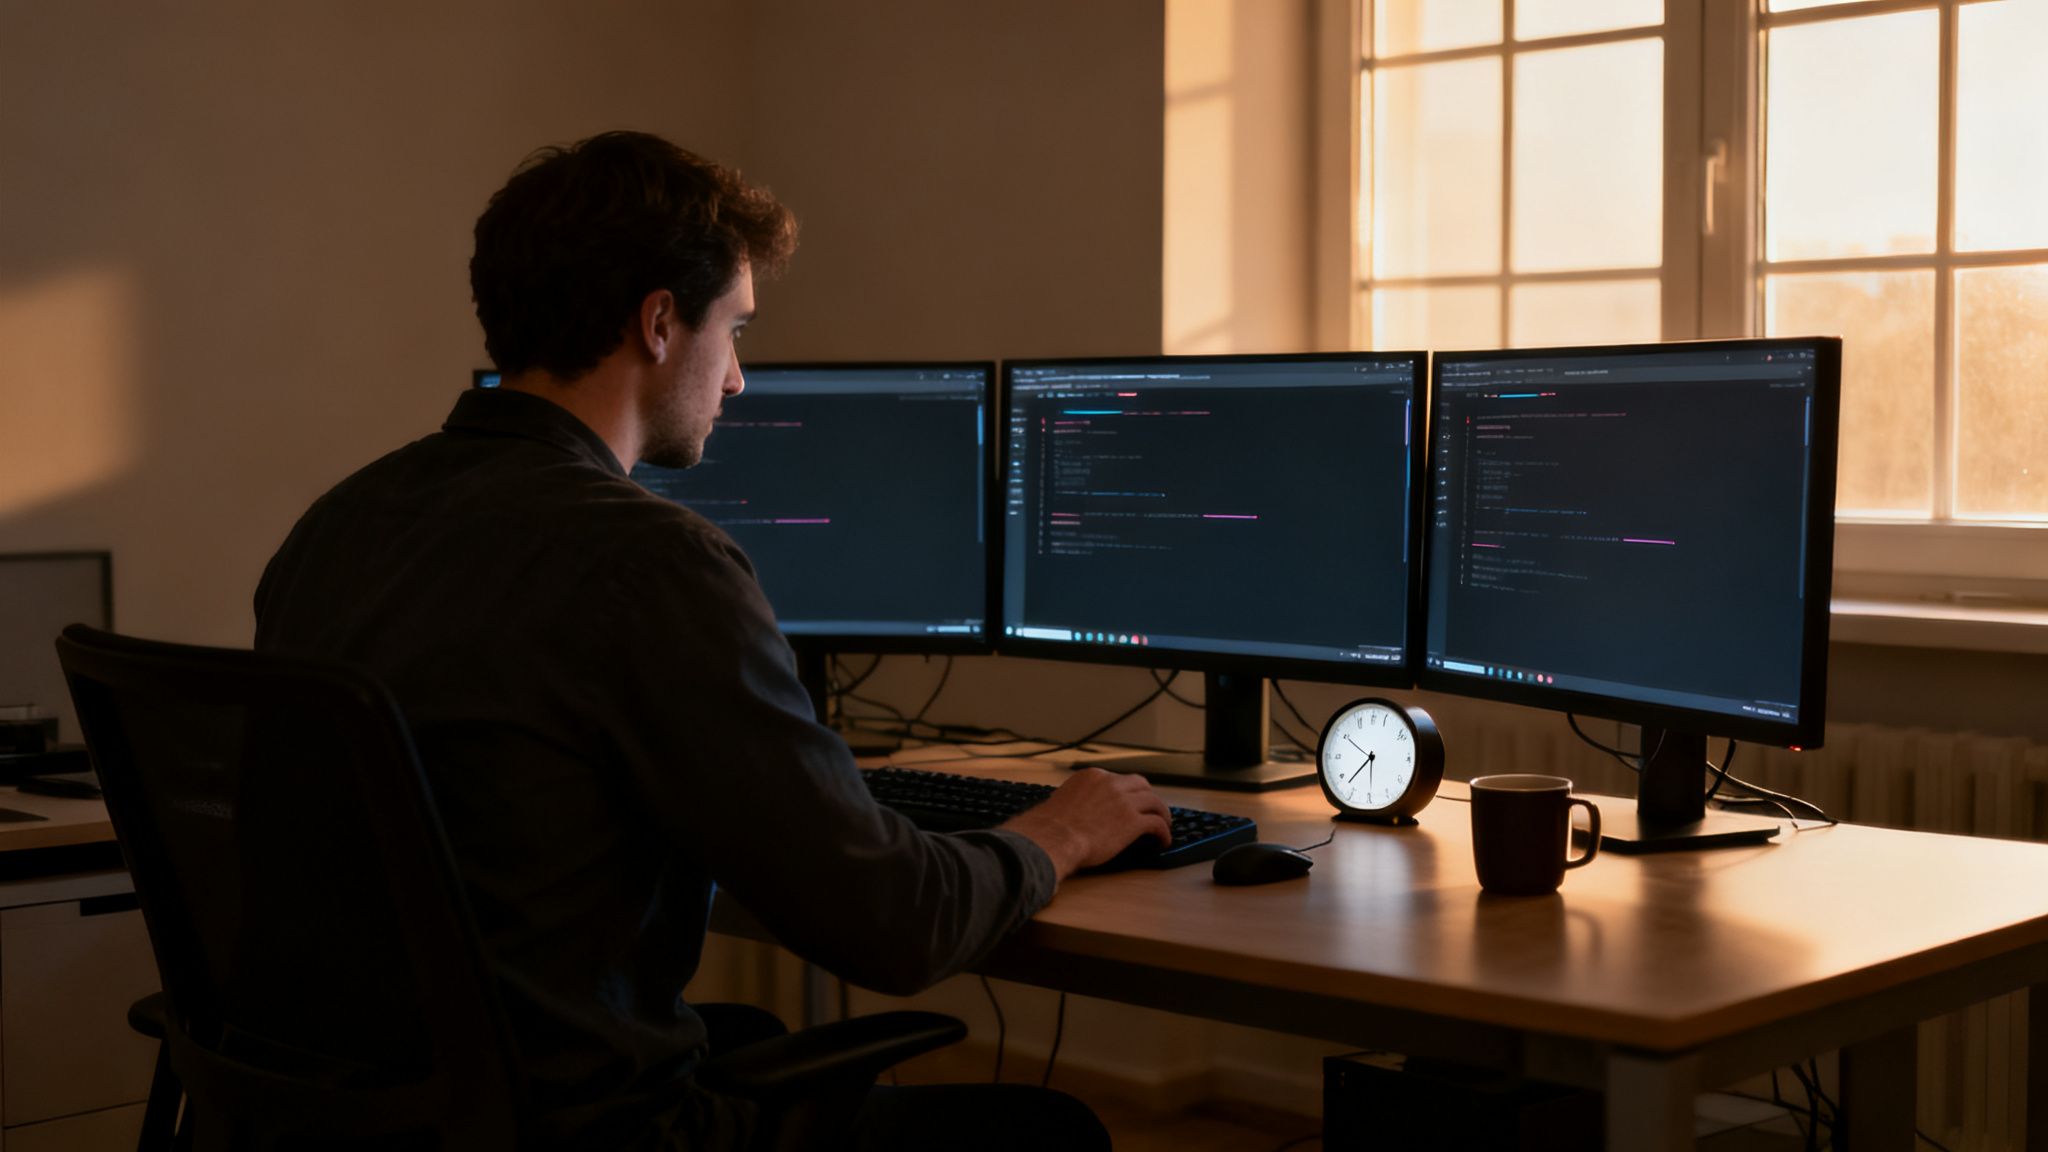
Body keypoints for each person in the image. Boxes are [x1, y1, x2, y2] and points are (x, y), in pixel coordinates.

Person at [253, 130, 1171, 1150]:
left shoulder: (340, 522)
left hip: (360, 1111)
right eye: (732, 330)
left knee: (746, 1037)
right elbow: (893, 923)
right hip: (576, 1127)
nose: (735, 379)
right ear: (658, 324)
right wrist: (1061, 832)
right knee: (1045, 1131)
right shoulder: (647, 561)